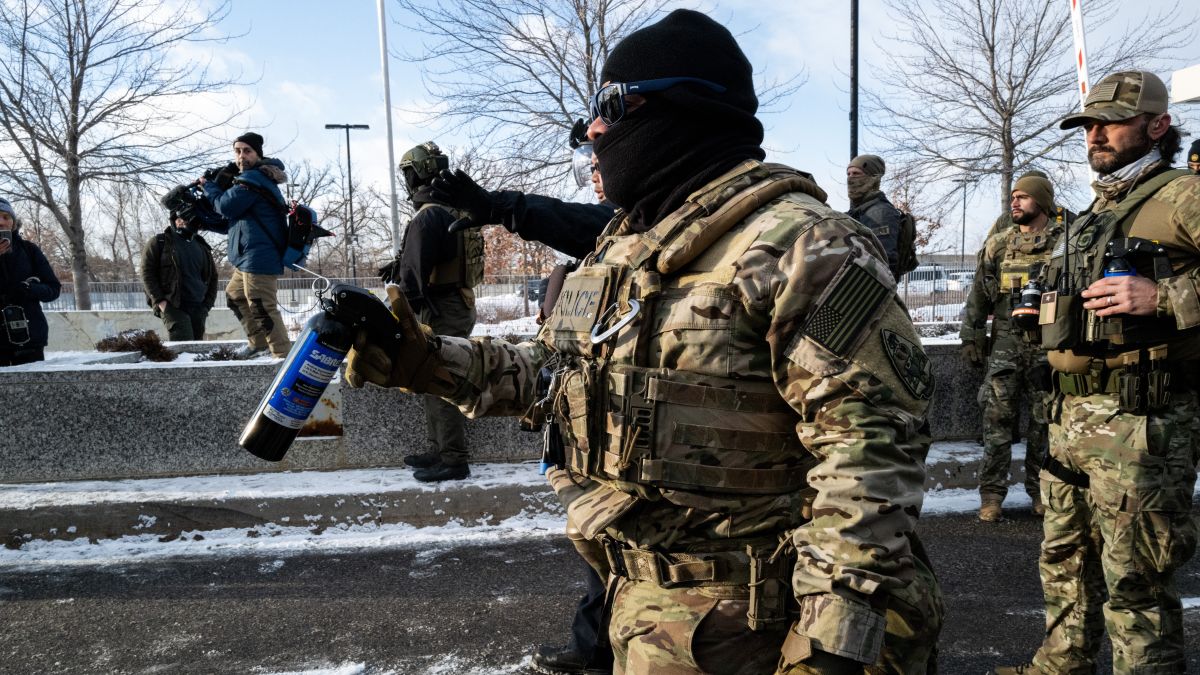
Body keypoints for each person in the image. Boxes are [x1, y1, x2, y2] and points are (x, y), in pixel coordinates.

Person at [346, 10, 942, 674]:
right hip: (647, 618)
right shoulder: (620, 249)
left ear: (686, 106)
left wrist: (830, 645)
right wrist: (423, 359)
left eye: (612, 104)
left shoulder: (805, 244)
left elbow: (872, 448)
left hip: (765, 632)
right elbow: (552, 375)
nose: (595, 128)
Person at [995, 70, 1200, 675]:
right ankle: (1061, 666)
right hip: (1070, 418)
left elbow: (1153, 295)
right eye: (1088, 124)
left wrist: (1163, 296)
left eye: (1110, 121)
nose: (1095, 134)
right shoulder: (1088, 216)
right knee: (1063, 565)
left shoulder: (1184, 196)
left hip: (1142, 421)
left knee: (1136, 581)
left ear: (1157, 125)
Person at [429, 140, 615, 675]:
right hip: (594, 442)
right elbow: (550, 355)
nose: (596, 176)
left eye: (604, 162)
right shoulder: (606, 245)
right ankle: (592, 650)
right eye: (591, 166)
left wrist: (507, 208)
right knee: (599, 555)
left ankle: (596, 651)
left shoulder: (639, 226)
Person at [378, 141, 485, 482]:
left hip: (438, 310)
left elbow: (413, 278)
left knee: (441, 382)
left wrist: (393, 310)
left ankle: (453, 459)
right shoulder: (454, 209)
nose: (406, 180)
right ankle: (439, 450)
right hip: (457, 303)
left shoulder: (428, 216)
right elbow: (436, 257)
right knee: (432, 379)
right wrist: (399, 263)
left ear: (418, 173)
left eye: (408, 173)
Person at [960, 176, 1064, 522]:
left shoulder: (1066, 244)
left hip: (1048, 342)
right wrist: (970, 335)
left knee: (1044, 422)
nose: (1015, 203)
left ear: (1042, 201)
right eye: (1013, 197)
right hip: (1005, 342)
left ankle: (1040, 492)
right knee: (996, 420)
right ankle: (991, 495)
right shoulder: (999, 245)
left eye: (1023, 197)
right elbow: (978, 294)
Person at [199, 132, 292, 359]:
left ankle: (282, 356)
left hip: (259, 256)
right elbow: (234, 222)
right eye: (237, 151)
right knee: (235, 295)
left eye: (247, 151)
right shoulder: (249, 180)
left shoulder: (253, 180)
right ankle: (259, 343)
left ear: (258, 154)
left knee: (262, 306)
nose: (241, 156)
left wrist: (210, 188)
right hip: (248, 255)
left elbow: (226, 206)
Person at [0, 197, 61, 366]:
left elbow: (53, 289)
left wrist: (29, 289)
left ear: (13, 222)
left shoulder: (29, 250)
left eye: (6, 217)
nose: (1, 222)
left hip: (29, 339)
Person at [141, 210, 218, 341]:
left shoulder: (202, 246)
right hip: (173, 306)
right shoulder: (159, 242)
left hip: (198, 307)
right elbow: (147, 273)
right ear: (173, 220)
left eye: (187, 218)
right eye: (178, 218)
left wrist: (206, 305)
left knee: (196, 352)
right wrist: (161, 302)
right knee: (184, 348)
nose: (182, 221)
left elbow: (213, 277)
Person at [846, 154, 906, 280]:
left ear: (873, 178)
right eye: (849, 174)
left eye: (856, 174)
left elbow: (884, 263)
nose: (850, 178)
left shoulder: (881, 213)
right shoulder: (857, 212)